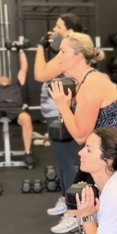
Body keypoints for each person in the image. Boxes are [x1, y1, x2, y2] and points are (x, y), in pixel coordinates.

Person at [47, 31, 117, 234]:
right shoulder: (81, 81)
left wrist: (62, 105)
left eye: (63, 51)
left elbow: (81, 135)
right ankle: (75, 214)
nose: (58, 56)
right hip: (103, 148)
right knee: (82, 181)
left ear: (78, 56)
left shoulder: (92, 83)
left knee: (115, 207)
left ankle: (79, 217)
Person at [34, 13, 84, 221]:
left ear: (70, 31)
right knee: (63, 162)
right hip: (54, 112)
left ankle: (74, 212)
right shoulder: (64, 51)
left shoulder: (68, 52)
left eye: (58, 26)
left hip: (61, 111)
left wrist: (40, 47)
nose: (54, 30)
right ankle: (65, 199)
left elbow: (40, 75)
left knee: (68, 162)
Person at [0, 42, 34, 168]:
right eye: (1, 77)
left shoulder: (16, 86)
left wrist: (20, 50)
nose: (4, 77)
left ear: (10, 80)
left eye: (6, 77)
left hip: (14, 107)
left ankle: (27, 153)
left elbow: (24, 68)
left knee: (26, 119)